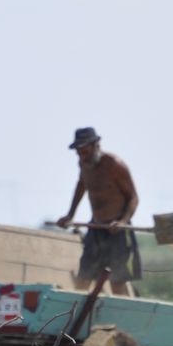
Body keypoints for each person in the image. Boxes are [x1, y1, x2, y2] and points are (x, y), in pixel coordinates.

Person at [56, 127, 141, 296]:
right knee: (83, 279)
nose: (81, 155)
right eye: (78, 152)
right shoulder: (83, 163)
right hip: (96, 228)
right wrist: (70, 215)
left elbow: (133, 198)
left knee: (117, 283)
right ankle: (76, 319)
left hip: (117, 230)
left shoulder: (114, 165)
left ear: (96, 145)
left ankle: (125, 319)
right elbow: (81, 185)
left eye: (84, 151)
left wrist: (123, 221)